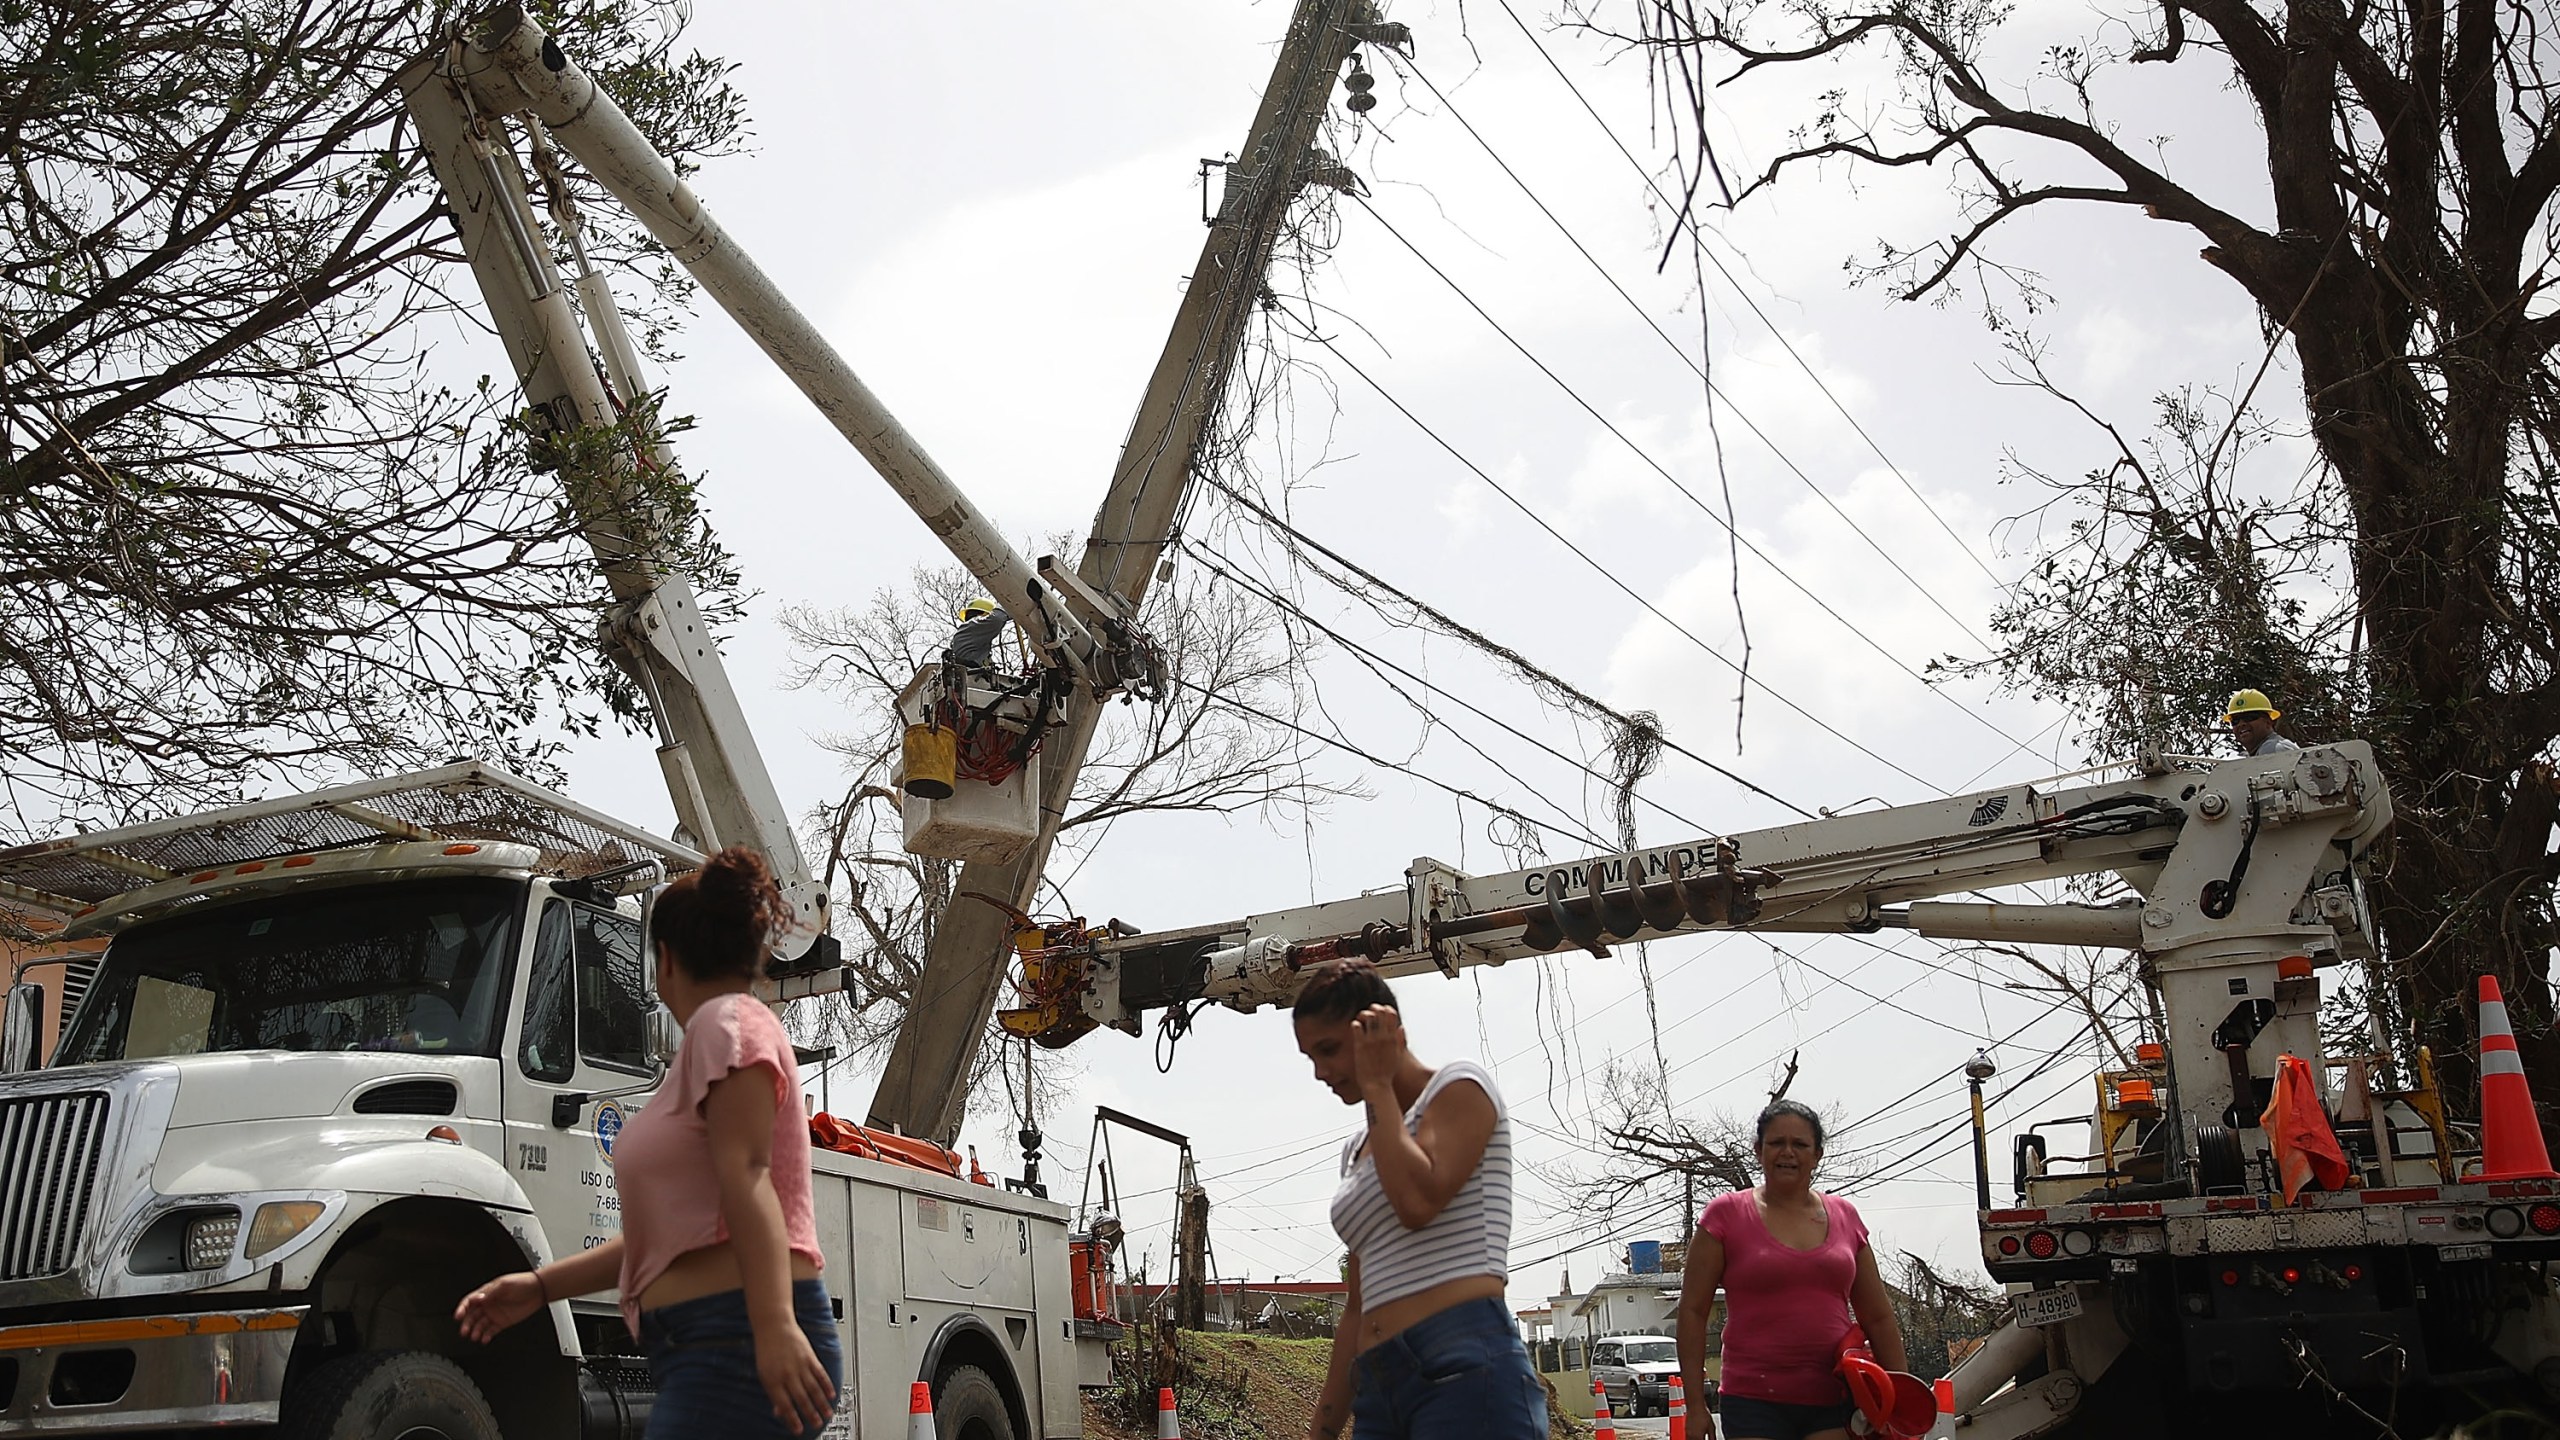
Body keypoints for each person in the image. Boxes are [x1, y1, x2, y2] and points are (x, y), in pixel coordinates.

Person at [455, 847, 840, 1438]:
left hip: (734, 1339)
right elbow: (657, 1239)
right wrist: (539, 1287)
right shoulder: (700, 1056)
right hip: (707, 1345)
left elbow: (749, 1175)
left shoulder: (725, 1024)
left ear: (661, 962)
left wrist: (773, 1325)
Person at [1297, 960, 1541, 1440]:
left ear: (1377, 1030)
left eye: (1328, 1050)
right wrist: (1322, 1430)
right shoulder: (1358, 1149)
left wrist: (1376, 1084)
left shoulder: (1459, 1088)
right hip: (1378, 1383)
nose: (1321, 1073)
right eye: (1310, 1059)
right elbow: (1358, 1306)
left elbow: (1417, 1201)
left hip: (1462, 1362)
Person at [1675, 1100, 1908, 1440]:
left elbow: (1879, 1317)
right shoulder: (1725, 1215)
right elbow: (1693, 1311)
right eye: (1776, 1143)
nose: (1788, 1153)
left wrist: (1898, 1396)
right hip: (1753, 1400)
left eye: (1799, 1144)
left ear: (1817, 1155)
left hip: (1835, 1397)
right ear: (1758, 1150)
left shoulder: (1846, 1216)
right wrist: (1695, 1406)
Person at [2223, 688, 2299, 757]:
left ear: (2268, 722)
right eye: (2235, 721)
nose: (2241, 724)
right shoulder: (2260, 752)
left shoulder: (2272, 749)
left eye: (2249, 717)